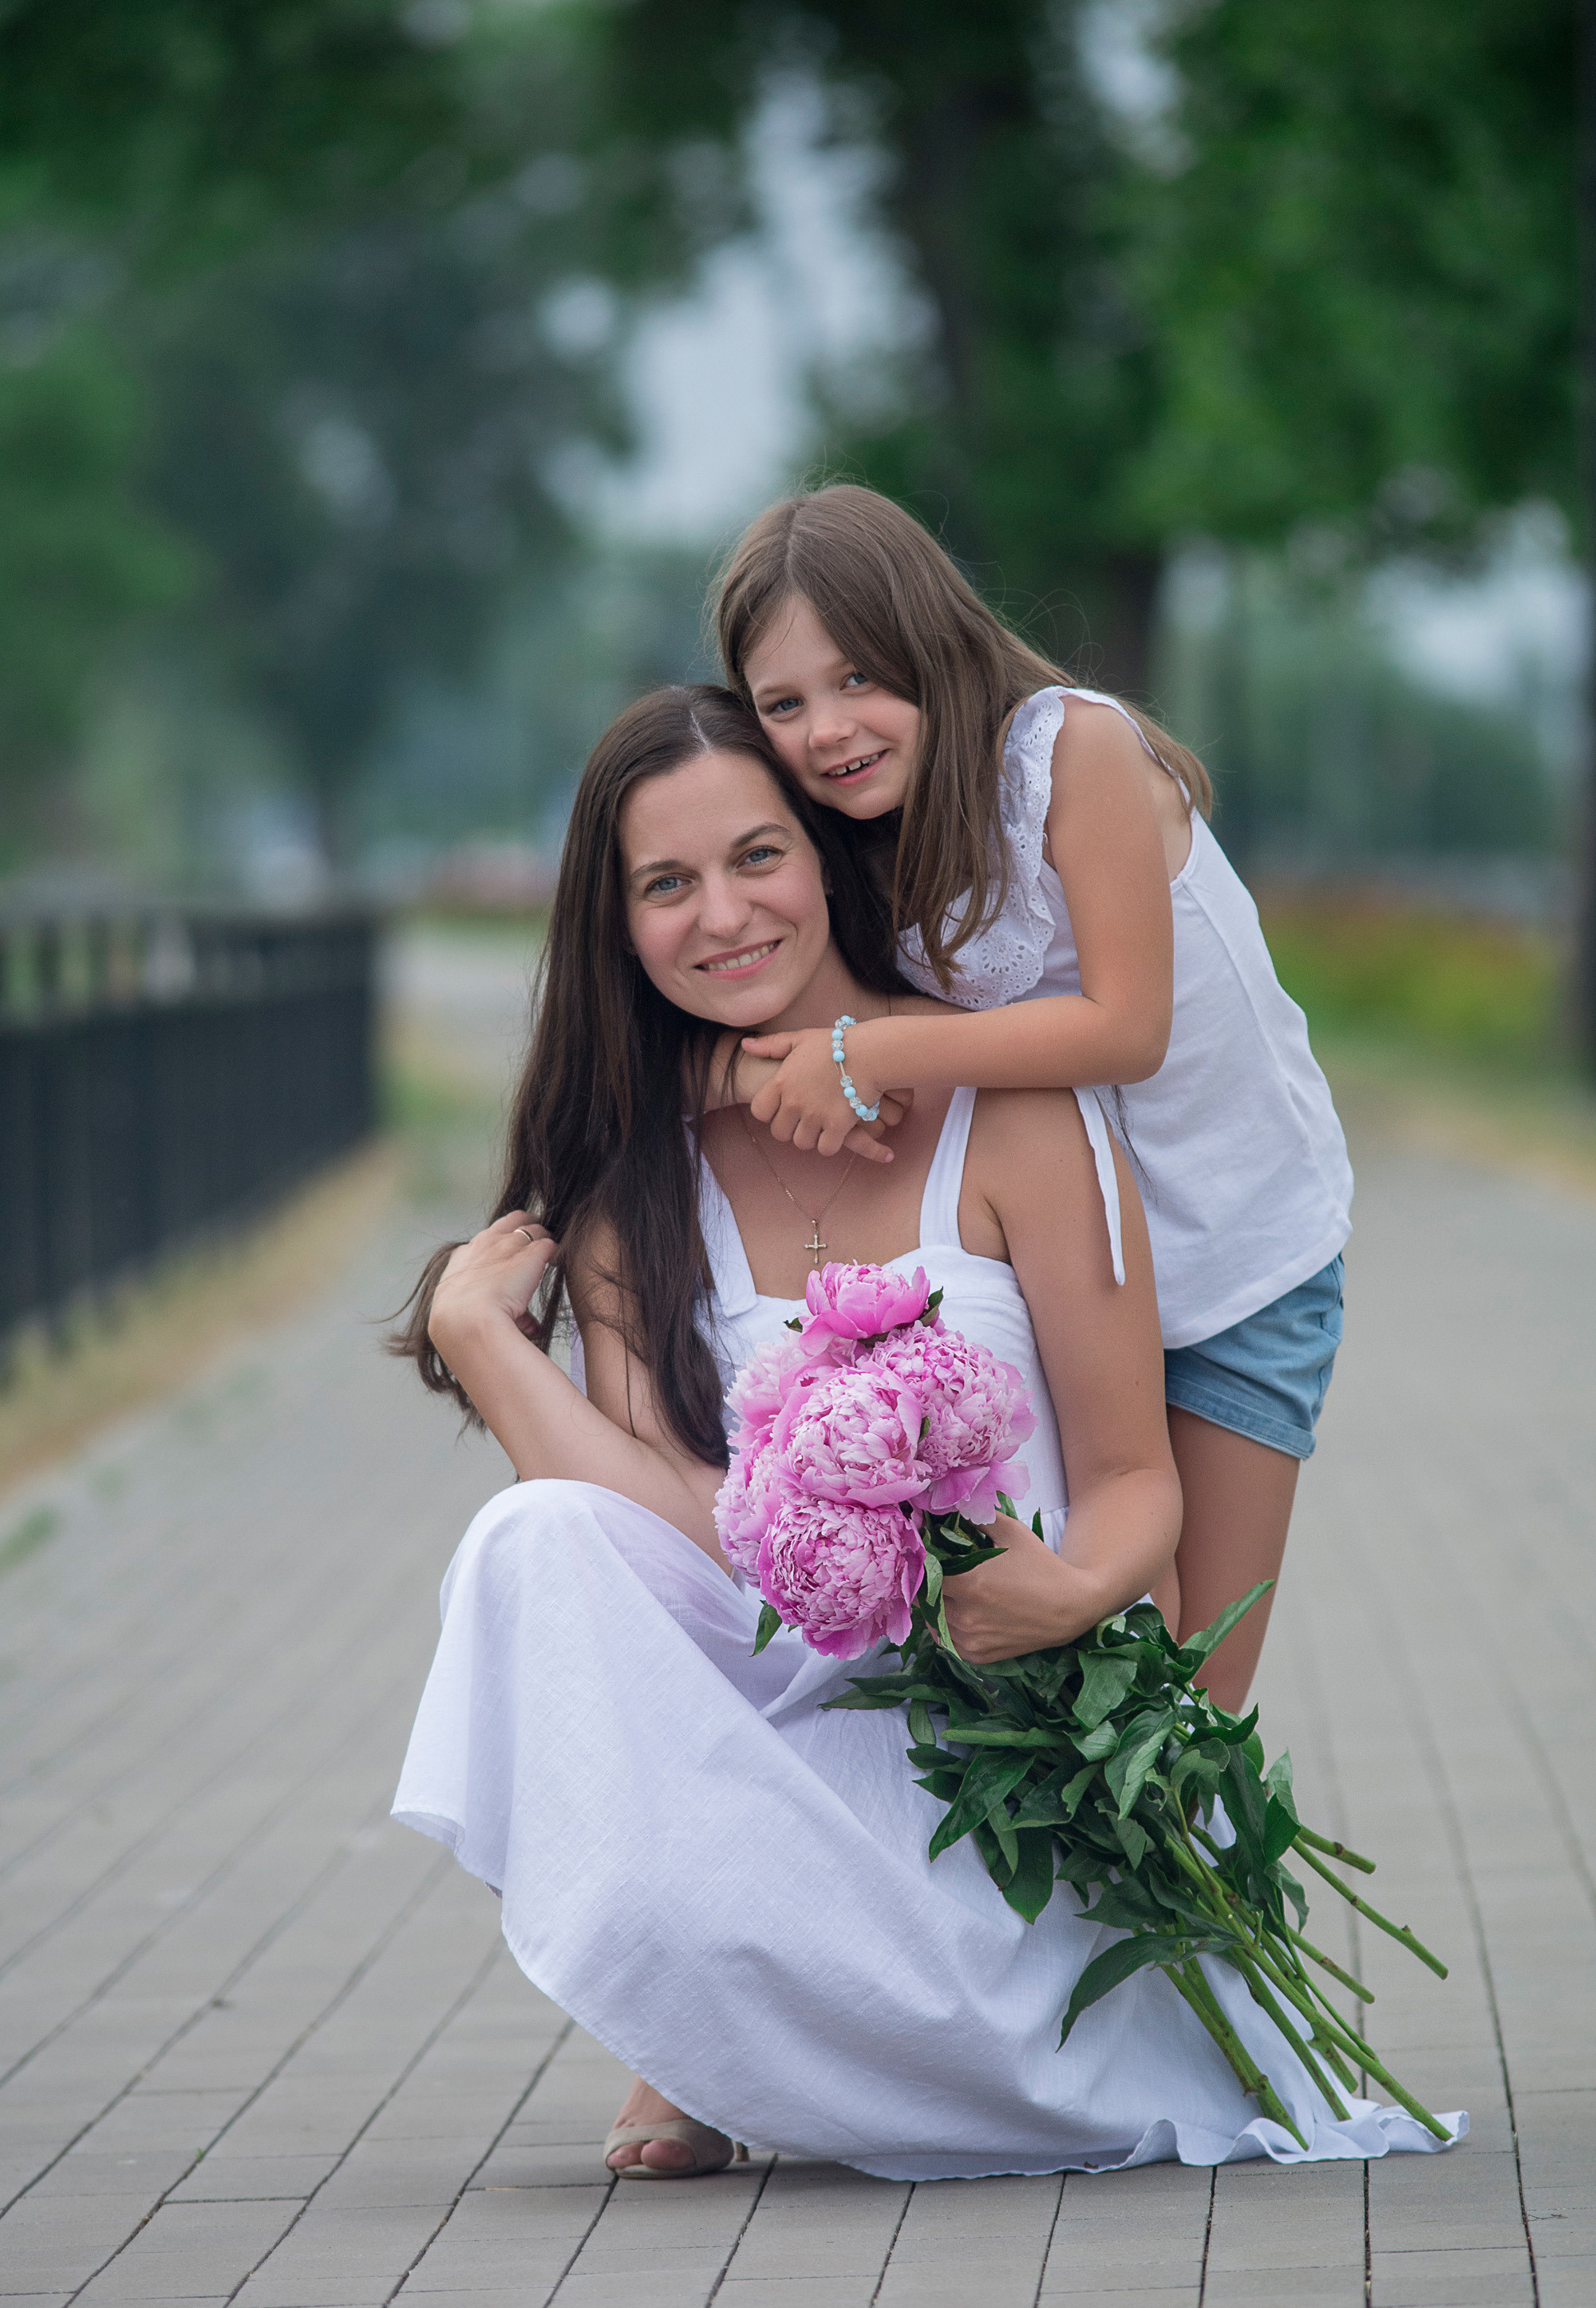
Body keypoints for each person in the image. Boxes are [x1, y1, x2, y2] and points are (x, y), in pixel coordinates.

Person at [390, 686, 1456, 2184]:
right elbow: (663, 1540)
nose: (724, 917)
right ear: (614, 924)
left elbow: (1144, 1482)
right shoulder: (637, 1181)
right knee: (535, 1536)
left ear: (826, 854)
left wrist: (1077, 1589)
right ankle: (710, 2010)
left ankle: (817, 2045)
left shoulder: (1010, 1110)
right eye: (666, 885)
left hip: (1000, 1796)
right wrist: (478, 1340)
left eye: (757, 855)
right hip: (792, 1772)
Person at [712, 484, 1353, 1711]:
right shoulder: (851, 833)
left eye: (858, 679)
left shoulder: (1070, 750)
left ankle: (1209, 1906)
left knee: (1186, 1707)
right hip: (1072, 1288)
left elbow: (1125, 1028)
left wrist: (870, 1055)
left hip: (1237, 1265)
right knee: (1075, 1684)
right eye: (783, 704)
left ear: (931, 646)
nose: (827, 730)